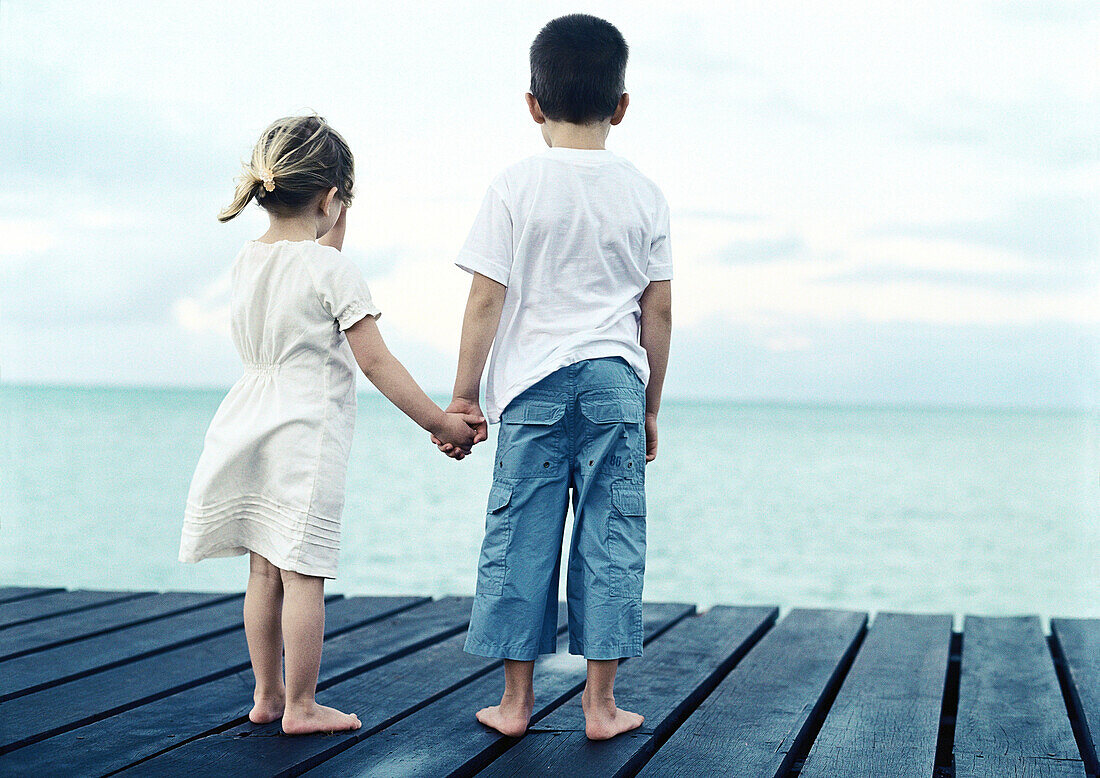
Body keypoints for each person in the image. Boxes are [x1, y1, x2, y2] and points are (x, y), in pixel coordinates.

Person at [180, 115, 481, 735]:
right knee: (305, 572)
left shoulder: (247, 260)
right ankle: (303, 705)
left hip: (246, 422)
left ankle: (267, 696)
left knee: (264, 568)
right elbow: (375, 361)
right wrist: (440, 422)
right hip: (304, 436)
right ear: (332, 199)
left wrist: (329, 219)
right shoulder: (333, 271)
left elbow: (303, 272)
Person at [433, 14, 673, 740]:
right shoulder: (644, 191)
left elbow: (485, 297)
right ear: (621, 105)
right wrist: (651, 406)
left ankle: (514, 705)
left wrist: (465, 393)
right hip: (613, 385)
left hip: (533, 390)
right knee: (611, 536)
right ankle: (600, 708)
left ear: (532, 104)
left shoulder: (513, 185)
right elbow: (657, 310)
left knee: (521, 536)